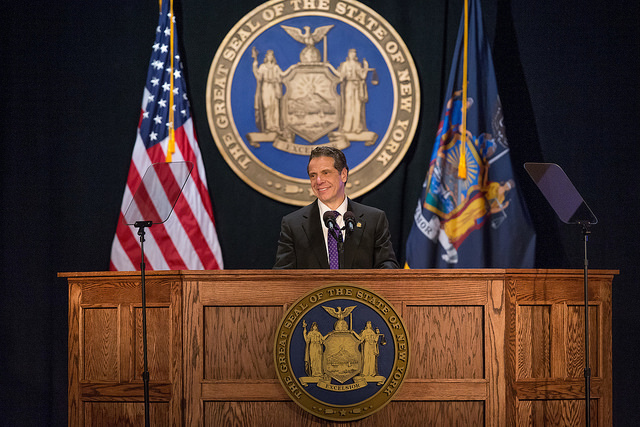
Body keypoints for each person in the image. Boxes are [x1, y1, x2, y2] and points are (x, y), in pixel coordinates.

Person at [273, 146, 399, 269]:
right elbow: (282, 276)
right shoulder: (293, 224)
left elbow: (387, 267)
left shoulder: (373, 220)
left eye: (325, 173)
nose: (318, 181)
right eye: (313, 175)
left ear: (343, 174)